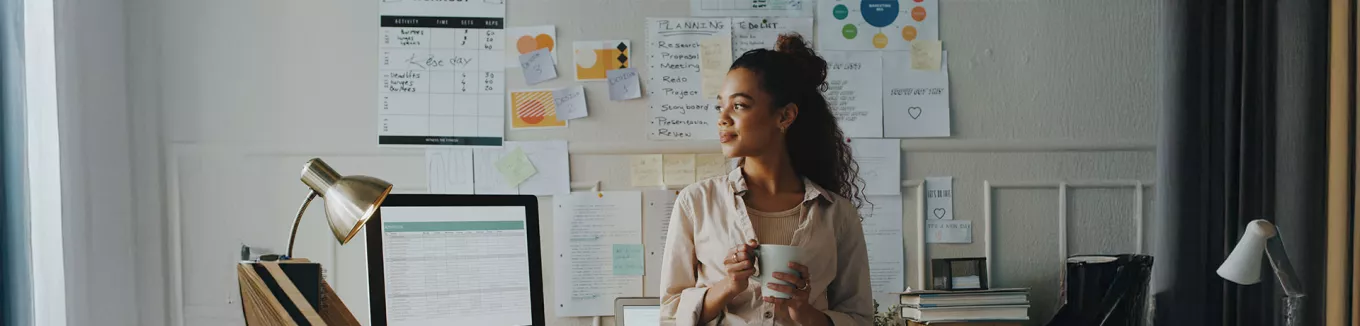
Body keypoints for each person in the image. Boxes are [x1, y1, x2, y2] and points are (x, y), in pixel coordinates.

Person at [659, 33, 873, 326]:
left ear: (785, 116)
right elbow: (670, 315)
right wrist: (728, 286)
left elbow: (860, 319)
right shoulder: (696, 202)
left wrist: (804, 311)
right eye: (720, 106)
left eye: (739, 106)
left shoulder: (838, 213)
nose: (722, 118)